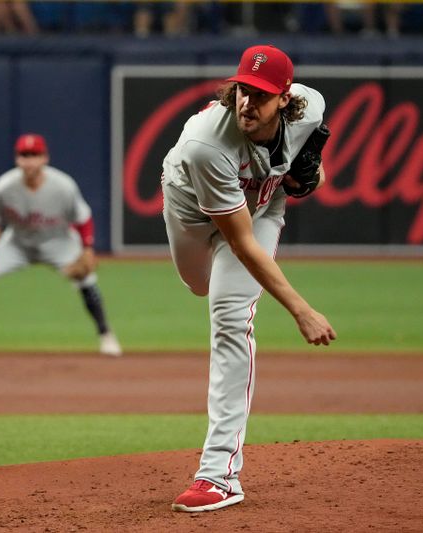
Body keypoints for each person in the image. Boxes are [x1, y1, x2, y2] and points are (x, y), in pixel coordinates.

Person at [162, 44, 337, 513]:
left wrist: (308, 178)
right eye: (242, 90)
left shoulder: (310, 107)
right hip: (191, 211)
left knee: (229, 315)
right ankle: (219, 473)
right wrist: (301, 309)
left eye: (260, 94)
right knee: (200, 284)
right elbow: (238, 243)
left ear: (285, 98)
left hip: (259, 208)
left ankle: (218, 475)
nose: (246, 103)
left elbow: (306, 176)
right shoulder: (206, 143)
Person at [0, 133, 122, 357]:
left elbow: (83, 218)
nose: (29, 160)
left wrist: (87, 249)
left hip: (58, 241)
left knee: (86, 279)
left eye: (34, 154)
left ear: (45, 158)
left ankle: (106, 337)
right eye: (24, 155)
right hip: (17, 242)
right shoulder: (4, 187)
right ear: (17, 159)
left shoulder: (63, 186)